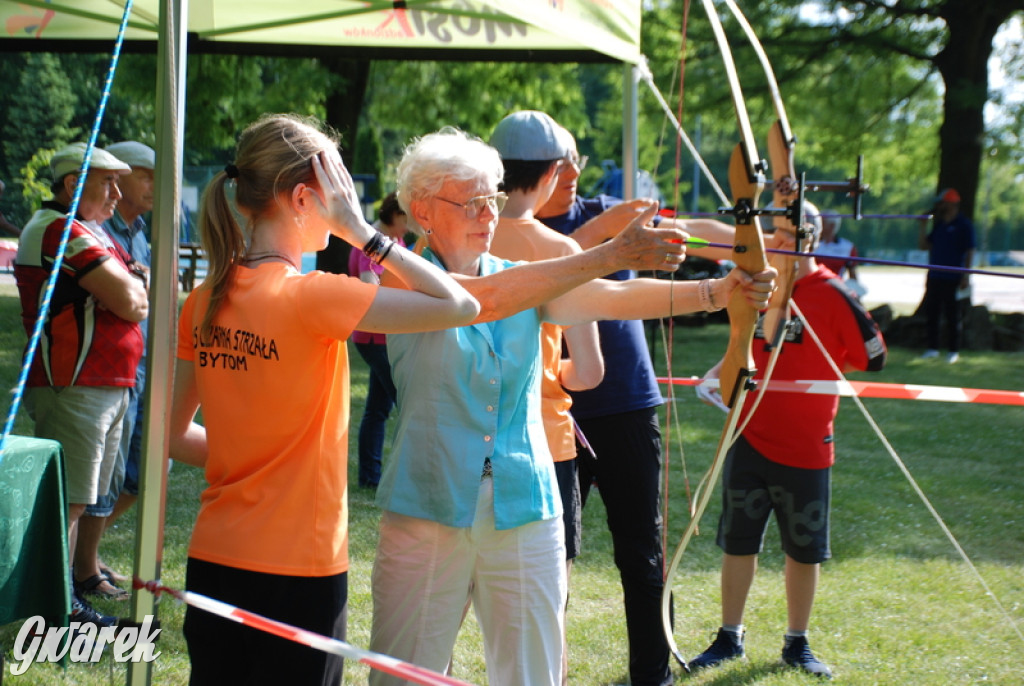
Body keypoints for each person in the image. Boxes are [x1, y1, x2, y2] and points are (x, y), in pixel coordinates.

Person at [368, 127, 775, 686]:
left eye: (493, 197)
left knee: (534, 674)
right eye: (472, 201)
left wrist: (720, 291)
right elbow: (471, 303)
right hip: (426, 504)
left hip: (525, 505)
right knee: (403, 675)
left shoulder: (519, 279)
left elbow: (609, 298)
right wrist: (607, 252)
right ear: (422, 209)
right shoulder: (395, 279)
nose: (489, 214)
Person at [167, 114, 479, 686]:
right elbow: (460, 305)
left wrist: (253, 460)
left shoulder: (203, 299)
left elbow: (171, 435)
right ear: (306, 197)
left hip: (214, 556)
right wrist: (363, 232)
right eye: (338, 192)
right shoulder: (313, 297)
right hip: (297, 568)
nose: (345, 206)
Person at [534, 120, 736, 686]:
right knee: (550, 560)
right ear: (535, 171)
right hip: (555, 413)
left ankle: (654, 675)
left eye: (576, 160)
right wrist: (609, 232)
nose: (573, 173)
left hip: (626, 406)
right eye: (560, 164)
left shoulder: (608, 210)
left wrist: (748, 241)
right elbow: (563, 255)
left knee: (641, 553)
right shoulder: (513, 230)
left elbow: (691, 230)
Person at [689, 202, 887, 679]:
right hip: (749, 437)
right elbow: (745, 343)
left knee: (804, 549)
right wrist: (718, 373)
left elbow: (873, 358)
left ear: (810, 240)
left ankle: (797, 643)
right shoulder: (759, 285)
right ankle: (728, 636)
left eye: (784, 234)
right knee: (738, 542)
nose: (774, 242)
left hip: (805, 450)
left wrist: (845, 312)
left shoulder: (832, 293)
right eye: (770, 233)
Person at [488, 110, 606, 685]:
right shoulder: (561, 248)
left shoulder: (455, 236)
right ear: (556, 171)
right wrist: (548, 370)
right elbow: (589, 370)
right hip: (543, 450)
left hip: (466, 441)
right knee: (544, 613)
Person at [14, 142, 147, 628]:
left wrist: (131, 283)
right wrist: (130, 283)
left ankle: (64, 598)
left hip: (101, 382)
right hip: (75, 383)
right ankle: (58, 610)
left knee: (80, 498)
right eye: (108, 181)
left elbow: (136, 287)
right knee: (69, 501)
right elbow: (132, 299)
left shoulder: (82, 230)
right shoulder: (60, 229)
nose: (118, 192)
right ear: (73, 184)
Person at [76, 141, 155, 592]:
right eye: (146, 175)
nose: (154, 186)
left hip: (139, 364)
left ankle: (87, 555)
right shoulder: (96, 231)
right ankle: (84, 568)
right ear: (118, 178)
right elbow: (126, 300)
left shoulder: (140, 231)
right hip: (103, 371)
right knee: (103, 475)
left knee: (140, 473)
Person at [347, 191, 407, 489]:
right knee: (407, 403)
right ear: (396, 214)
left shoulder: (397, 242)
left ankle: (371, 477)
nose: (409, 225)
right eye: (407, 217)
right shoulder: (370, 244)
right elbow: (369, 290)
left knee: (378, 408)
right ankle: (404, 476)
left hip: (389, 337)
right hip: (374, 338)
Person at [918, 188, 975, 364]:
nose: (939, 206)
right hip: (935, 275)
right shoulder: (939, 225)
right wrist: (922, 226)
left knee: (953, 315)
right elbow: (924, 246)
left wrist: (966, 276)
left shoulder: (964, 225)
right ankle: (932, 348)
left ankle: (953, 351)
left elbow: (970, 250)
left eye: (942, 202)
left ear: (950, 204)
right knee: (932, 313)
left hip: (954, 277)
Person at [815, 212, 865, 297]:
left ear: (832, 226)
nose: (817, 225)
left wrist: (856, 294)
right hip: (812, 288)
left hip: (836, 289)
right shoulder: (810, 244)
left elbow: (853, 274)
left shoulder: (848, 247)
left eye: (821, 223)